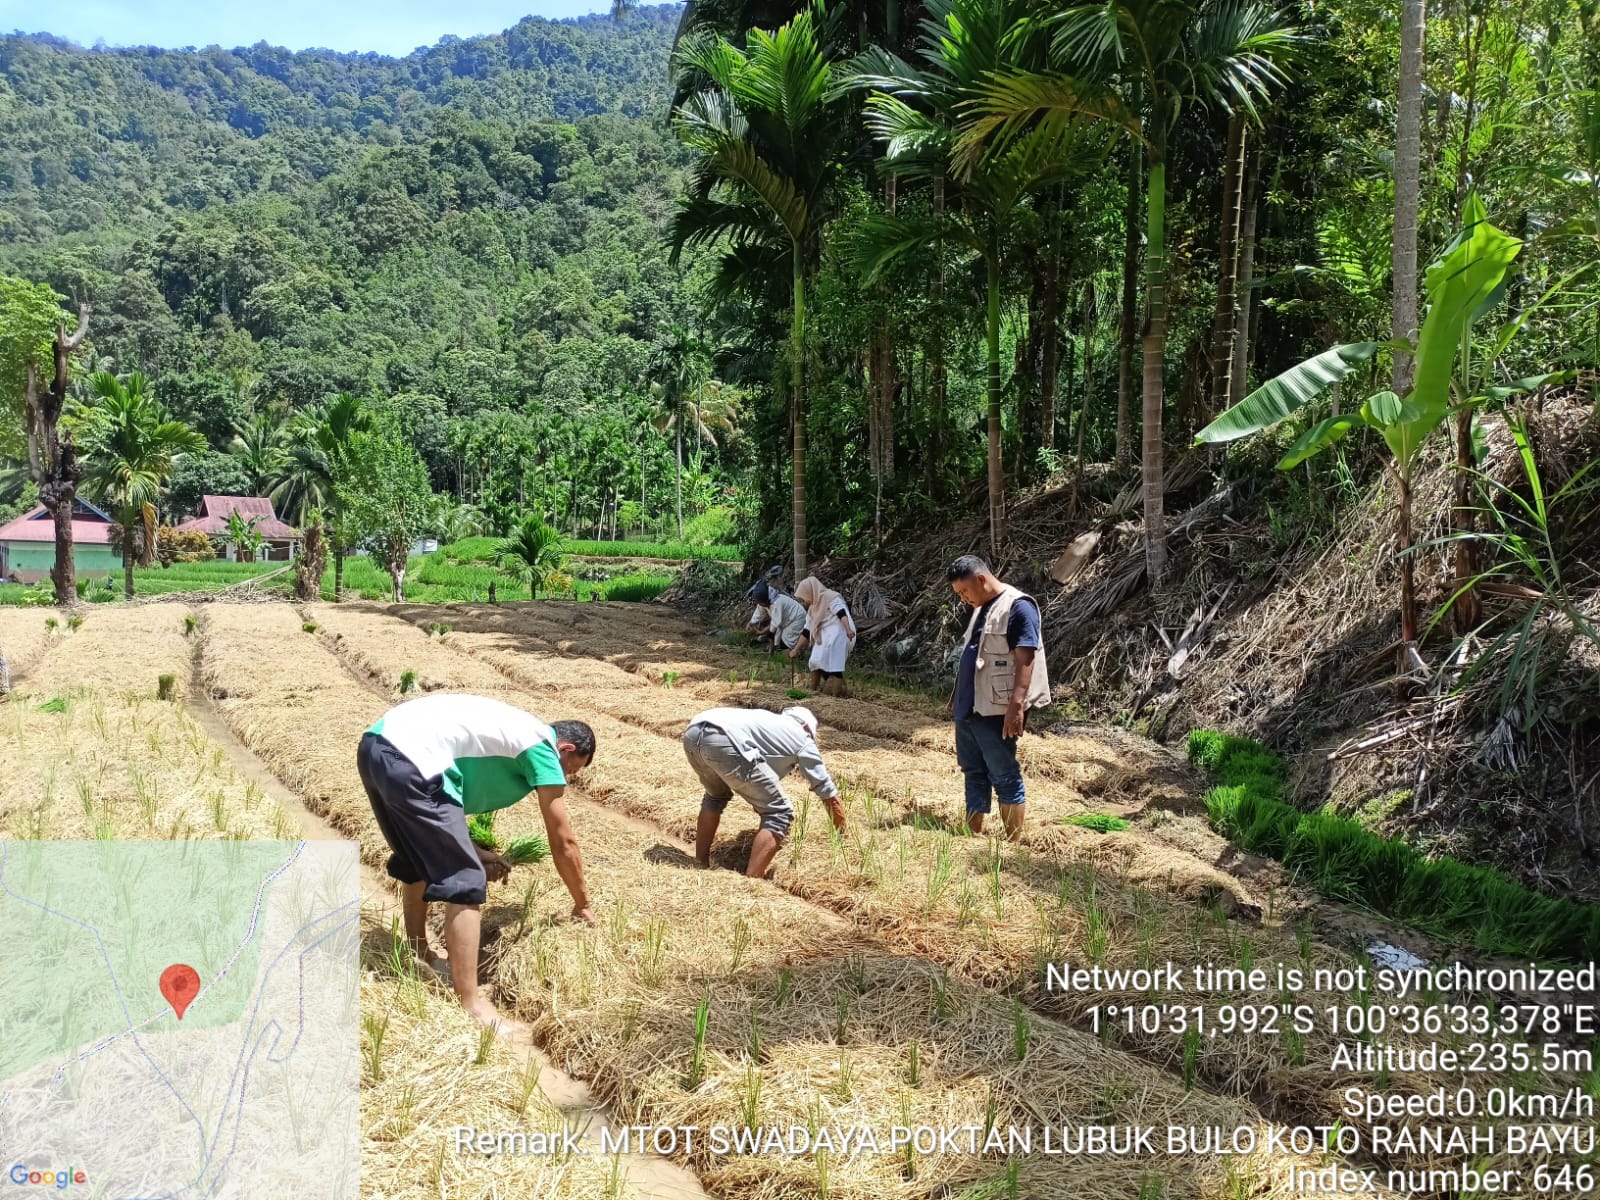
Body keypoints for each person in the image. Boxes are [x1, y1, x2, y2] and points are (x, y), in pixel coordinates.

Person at [356, 692, 597, 1035]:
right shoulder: (542, 748)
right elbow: (563, 842)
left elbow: (441, 807)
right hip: (416, 759)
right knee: (467, 881)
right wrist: (582, 903)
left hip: (377, 746)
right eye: (569, 769)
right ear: (566, 749)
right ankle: (472, 1005)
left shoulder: (515, 730)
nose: (565, 779)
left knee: (417, 857)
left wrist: (476, 851)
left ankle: (418, 948)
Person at [947, 555, 1050, 839]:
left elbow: (1026, 657)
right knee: (973, 771)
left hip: (996, 709)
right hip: (969, 707)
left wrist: (1016, 706)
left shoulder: (1019, 606)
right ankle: (973, 834)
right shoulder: (981, 607)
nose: (963, 598)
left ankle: (1012, 842)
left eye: (964, 591)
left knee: (1004, 773)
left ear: (981, 579)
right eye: (959, 594)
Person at [683, 705, 846, 877]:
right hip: (725, 738)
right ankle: (751, 882)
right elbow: (829, 794)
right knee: (779, 813)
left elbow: (760, 778)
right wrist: (843, 838)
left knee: (715, 796)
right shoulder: (804, 740)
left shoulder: (770, 724)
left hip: (693, 732)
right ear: (808, 729)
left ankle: (700, 863)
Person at [792, 576, 857, 696]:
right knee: (815, 661)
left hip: (839, 632)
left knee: (835, 666)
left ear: (810, 592)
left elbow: (841, 613)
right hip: (824, 635)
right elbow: (807, 630)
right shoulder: (812, 609)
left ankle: (835, 697)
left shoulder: (830, 597)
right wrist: (796, 649)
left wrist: (848, 629)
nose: (804, 601)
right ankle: (813, 691)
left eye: (803, 598)